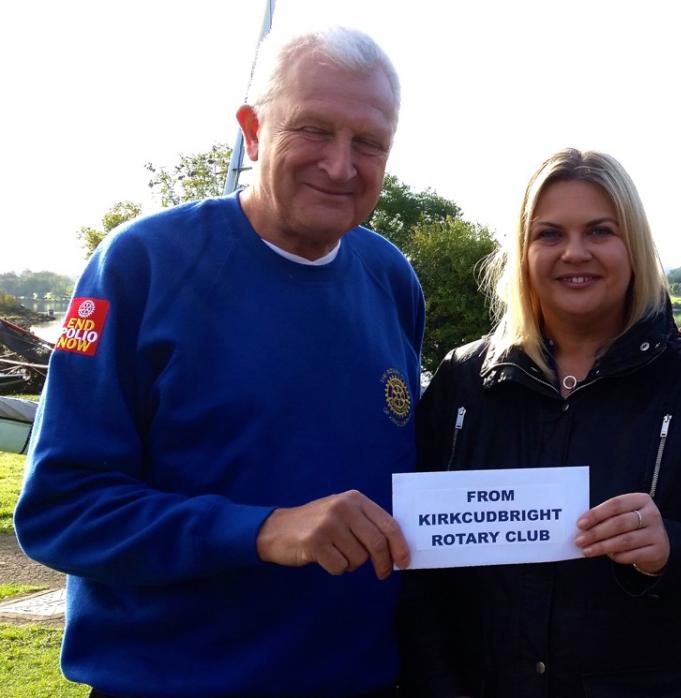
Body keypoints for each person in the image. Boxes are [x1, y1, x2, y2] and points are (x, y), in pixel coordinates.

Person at [15, 27, 421, 698]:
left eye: (369, 142)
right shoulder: (140, 265)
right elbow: (61, 509)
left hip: (365, 681)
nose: (342, 165)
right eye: (314, 130)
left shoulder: (390, 277)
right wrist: (262, 530)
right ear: (253, 130)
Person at [409, 148, 681, 696]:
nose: (574, 253)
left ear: (633, 246)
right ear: (523, 251)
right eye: (550, 234)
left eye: (600, 231)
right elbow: (423, 586)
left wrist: (671, 548)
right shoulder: (463, 381)